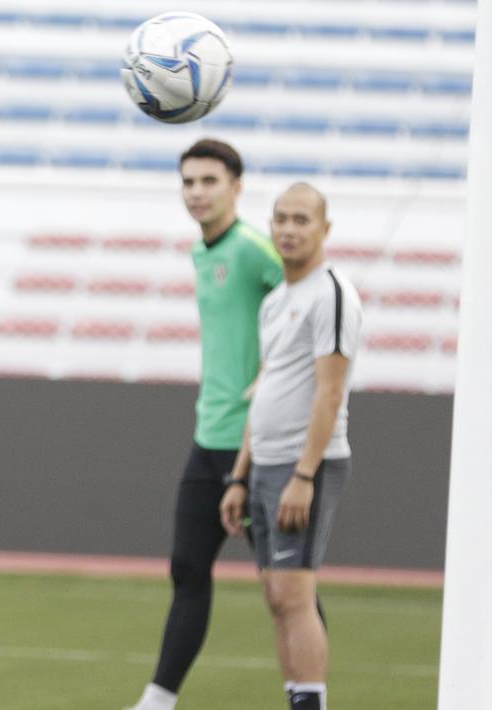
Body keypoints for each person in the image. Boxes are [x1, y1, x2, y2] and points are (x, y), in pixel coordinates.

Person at [130, 139, 284, 710]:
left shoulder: (252, 249)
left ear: (236, 186)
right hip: (209, 439)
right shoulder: (204, 251)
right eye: (188, 181)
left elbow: (309, 308)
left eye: (209, 180)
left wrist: (276, 375)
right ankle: (158, 700)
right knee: (187, 569)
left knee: (285, 589)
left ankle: (308, 696)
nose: (196, 191)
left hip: (259, 445)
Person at [220, 183, 361, 710]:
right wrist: (239, 474)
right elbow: (266, 387)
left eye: (301, 219)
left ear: (324, 229)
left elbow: (329, 393)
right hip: (265, 464)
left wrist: (304, 475)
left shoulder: (332, 292)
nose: (288, 228)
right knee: (277, 599)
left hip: (305, 467)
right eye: (280, 218)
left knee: (297, 598)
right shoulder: (277, 300)